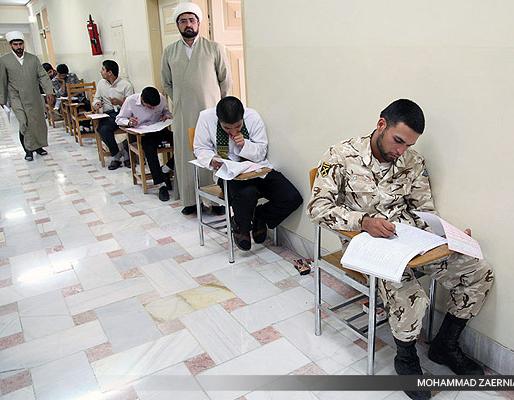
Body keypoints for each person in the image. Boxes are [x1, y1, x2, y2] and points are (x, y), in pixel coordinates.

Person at [307, 99, 494, 400]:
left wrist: (449, 235)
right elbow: (317, 208)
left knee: (479, 273)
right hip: (365, 244)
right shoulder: (341, 155)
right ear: (381, 124)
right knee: (412, 297)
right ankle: (406, 358)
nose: (401, 150)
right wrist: (364, 221)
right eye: (398, 141)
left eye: (408, 145)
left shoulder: (413, 161)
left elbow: (424, 210)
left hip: (409, 240)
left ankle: (445, 346)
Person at [194, 96, 302, 251]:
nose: (233, 132)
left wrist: (245, 144)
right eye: (227, 128)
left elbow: (261, 151)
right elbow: (200, 148)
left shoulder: (253, 117)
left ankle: (261, 216)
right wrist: (211, 159)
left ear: (243, 116)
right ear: (218, 119)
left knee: (291, 197)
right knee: (247, 193)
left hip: (256, 168)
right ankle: (241, 226)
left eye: (238, 126)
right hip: (228, 173)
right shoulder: (206, 118)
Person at [161, 2, 232, 215]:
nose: (188, 24)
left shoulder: (214, 48)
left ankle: (217, 201)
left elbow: (225, 81)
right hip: (183, 114)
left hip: (210, 112)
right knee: (186, 155)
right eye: (183, 21)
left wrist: (217, 106)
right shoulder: (170, 52)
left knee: (215, 154)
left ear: (199, 23)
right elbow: (167, 84)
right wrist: (181, 100)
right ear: (178, 25)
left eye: (191, 20)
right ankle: (191, 201)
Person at [0, 31, 54, 161]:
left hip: (33, 95)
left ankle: (38, 146)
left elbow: (42, 76)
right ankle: (28, 150)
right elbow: (3, 81)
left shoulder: (33, 59)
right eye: (15, 44)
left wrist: (49, 91)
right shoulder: (5, 60)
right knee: (24, 122)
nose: (19, 47)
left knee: (36, 122)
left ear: (23, 44)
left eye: (20, 44)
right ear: (10, 45)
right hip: (16, 96)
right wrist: (2, 99)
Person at [115, 87, 174, 201]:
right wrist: (129, 122)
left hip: (159, 129)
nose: (153, 109)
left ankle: (165, 169)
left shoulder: (160, 98)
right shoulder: (131, 101)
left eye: (155, 107)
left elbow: (166, 112)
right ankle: (161, 185)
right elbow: (119, 119)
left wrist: (166, 116)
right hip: (143, 133)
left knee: (181, 143)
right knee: (150, 150)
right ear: (142, 100)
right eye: (150, 106)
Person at [92, 60, 134, 170]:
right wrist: (97, 103)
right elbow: (96, 98)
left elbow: (131, 104)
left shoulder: (125, 85)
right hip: (108, 114)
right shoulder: (101, 83)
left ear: (109, 72)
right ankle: (116, 154)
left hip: (122, 113)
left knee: (134, 127)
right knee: (102, 129)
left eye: (103, 69)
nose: (101, 72)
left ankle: (127, 153)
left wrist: (120, 102)